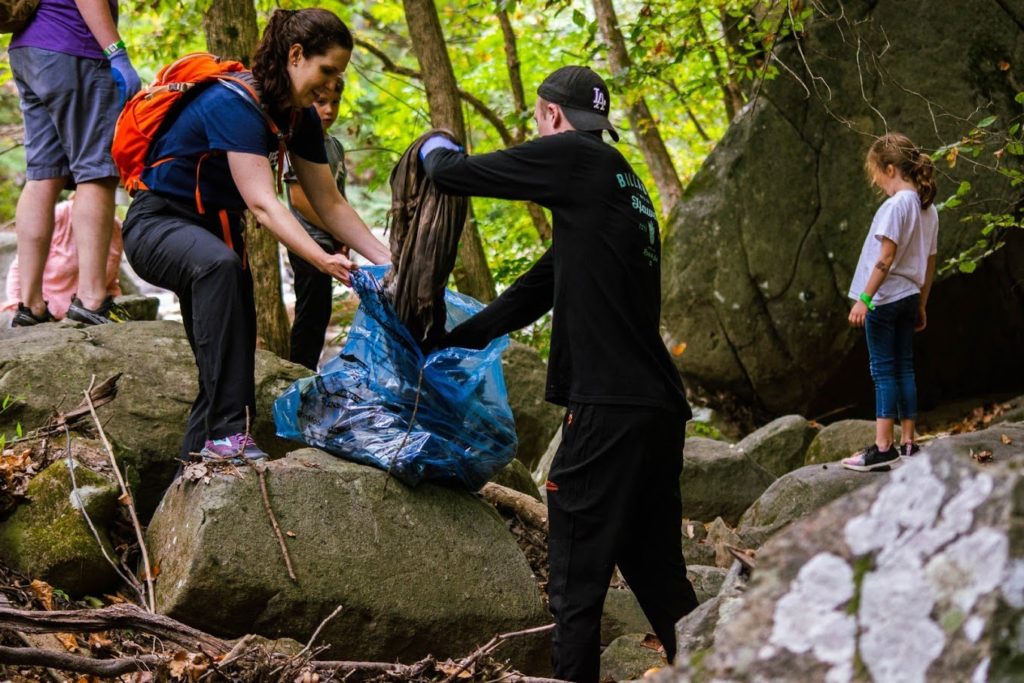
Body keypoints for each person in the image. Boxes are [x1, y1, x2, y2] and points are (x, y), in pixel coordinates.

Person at [420, 66, 698, 682]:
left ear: (550, 115)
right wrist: (457, 339)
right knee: (658, 575)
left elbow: (454, 174)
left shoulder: (574, 158)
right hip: (654, 408)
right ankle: (728, 670)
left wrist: (434, 144)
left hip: (609, 407)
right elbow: (537, 288)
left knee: (575, 584)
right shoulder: (620, 181)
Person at [120, 8, 390, 463]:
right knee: (218, 268)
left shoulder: (297, 118)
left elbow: (330, 203)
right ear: (296, 55)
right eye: (326, 71)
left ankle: (196, 465)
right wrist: (321, 260)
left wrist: (390, 259)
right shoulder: (233, 102)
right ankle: (226, 439)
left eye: (338, 75)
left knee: (231, 353)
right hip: (157, 224)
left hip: (217, 238)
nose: (329, 86)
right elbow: (264, 203)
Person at [8, 0, 141, 326]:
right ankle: (92, 299)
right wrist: (116, 52)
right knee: (97, 172)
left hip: (28, 50)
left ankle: (30, 304)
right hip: (74, 46)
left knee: (43, 176)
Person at [842, 132, 938, 472]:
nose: (875, 181)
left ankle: (883, 448)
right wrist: (922, 303)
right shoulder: (929, 209)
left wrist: (864, 299)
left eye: (876, 174)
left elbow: (885, 257)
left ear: (892, 168)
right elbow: (929, 262)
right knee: (905, 367)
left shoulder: (897, 205)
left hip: (885, 299)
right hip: (910, 296)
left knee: (883, 370)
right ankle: (909, 443)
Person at [284, 76, 349, 370]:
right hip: (307, 243)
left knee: (320, 311)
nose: (329, 110)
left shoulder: (334, 146)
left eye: (334, 102)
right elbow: (299, 198)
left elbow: (338, 199)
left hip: (329, 243)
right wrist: (336, 229)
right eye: (321, 102)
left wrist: (344, 237)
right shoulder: (298, 141)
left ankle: (307, 370)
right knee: (311, 312)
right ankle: (298, 372)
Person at [4, 195, 123, 321]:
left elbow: (111, 279)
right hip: (45, 314)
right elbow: (20, 266)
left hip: (89, 314)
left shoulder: (116, 228)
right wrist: (17, 305)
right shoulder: (59, 215)